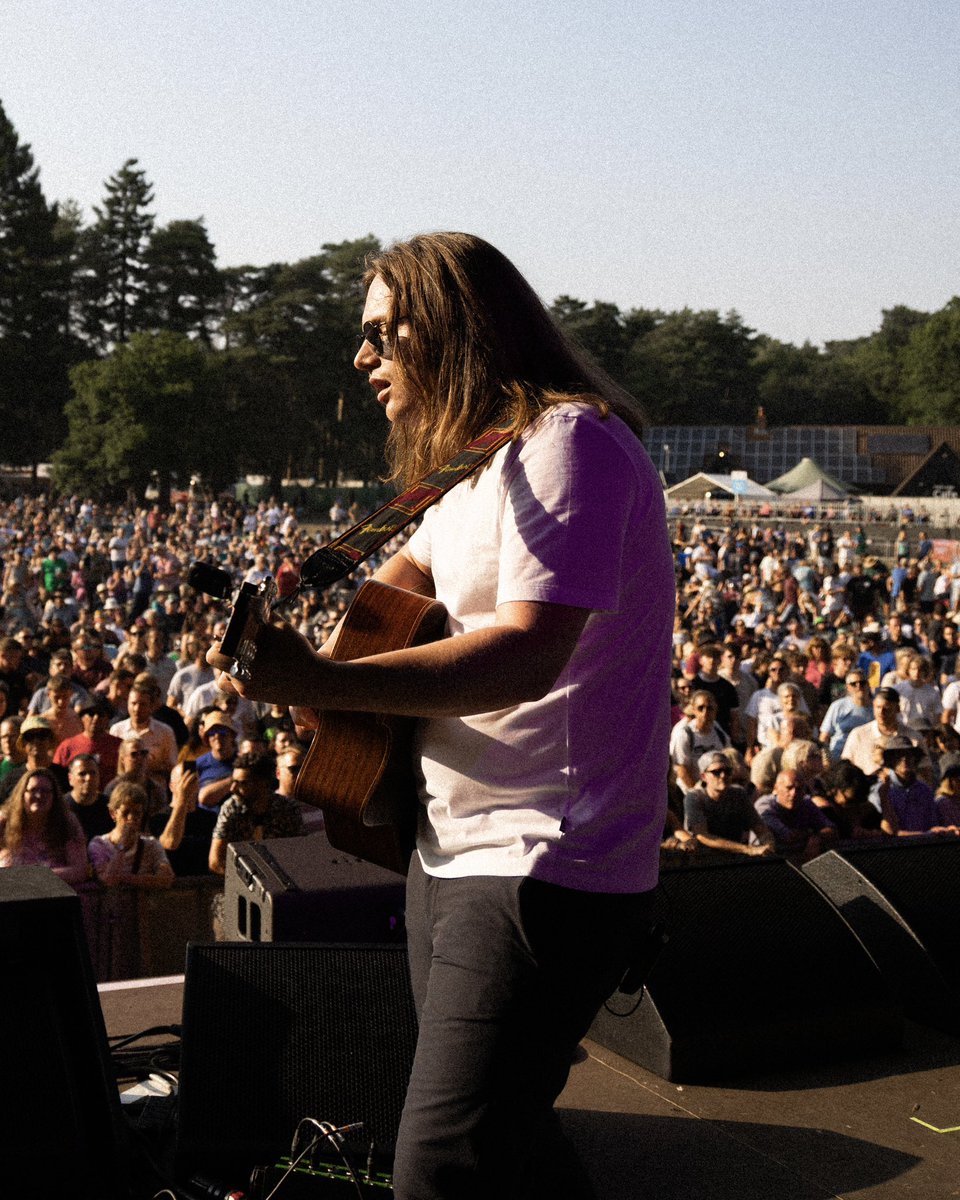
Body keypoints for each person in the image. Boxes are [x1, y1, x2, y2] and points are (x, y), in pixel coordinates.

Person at [208, 232, 674, 1200]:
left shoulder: (569, 445)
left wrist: (320, 685)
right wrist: (324, 667)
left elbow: (525, 653)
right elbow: (392, 592)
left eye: (383, 330)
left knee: (437, 1165)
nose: (362, 355)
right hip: (451, 849)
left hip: (548, 863)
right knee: (505, 1141)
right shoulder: (470, 474)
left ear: (453, 325)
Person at [208, 751, 304, 874]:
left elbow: (299, 855)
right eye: (234, 781)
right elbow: (216, 861)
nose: (233, 789)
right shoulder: (232, 808)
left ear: (262, 784)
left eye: (242, 783)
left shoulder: (287, 809)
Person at [0, 767, 89, 886]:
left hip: (55, 895)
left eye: (45, 791)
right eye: (33, 790)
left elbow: (79, 871)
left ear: (54, 796)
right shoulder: (4, 821)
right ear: (22, 793)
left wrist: (35, 877)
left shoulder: (67, 822)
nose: (39, 795)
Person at [683, 750, 776, 858]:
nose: (723, 775)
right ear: (703, 776)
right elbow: (702, 836)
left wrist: (768, 844)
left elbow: (760, 828)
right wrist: (748, 849)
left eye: (727, 771)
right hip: (704, 861)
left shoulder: (739, 794)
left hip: (735, 859)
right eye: (716, 772)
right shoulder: (694, 798)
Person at [88, 781, 175, 889]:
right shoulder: (99, 845)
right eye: (125, 813)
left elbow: (166, 879)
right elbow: (108, 880)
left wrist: (125, 879)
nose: (131, 818)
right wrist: (121, 846)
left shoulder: (151, 845)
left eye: (137, 813)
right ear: (113, 813)